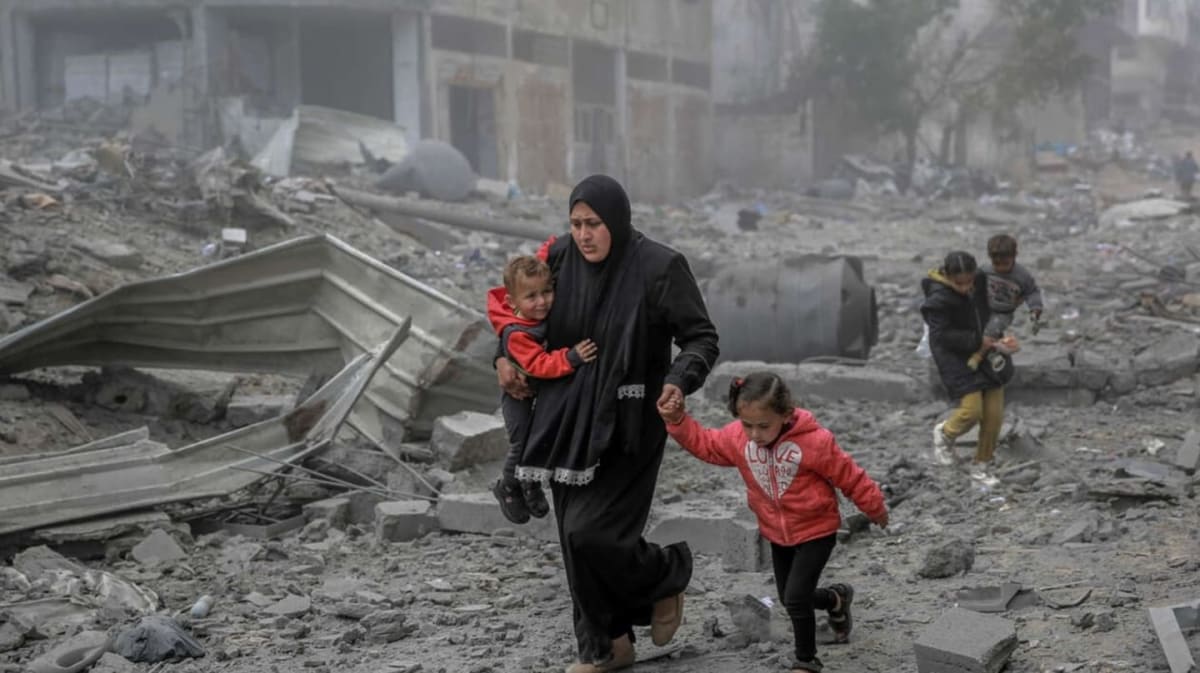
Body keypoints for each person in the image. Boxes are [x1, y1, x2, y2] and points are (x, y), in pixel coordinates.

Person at [494, 175, 719, 672]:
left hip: (629, 425)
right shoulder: (558, 259)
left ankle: (665, 575)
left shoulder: (659, 266)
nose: (583, 234)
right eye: (576, 223)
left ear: (615, 220)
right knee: (573, 541)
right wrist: (503, 358)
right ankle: (608, 646)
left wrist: (679, 380)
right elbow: (519, 315)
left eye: (593, 223)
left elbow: (702, 337)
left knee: (592, 533)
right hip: (562, 422)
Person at [658, 372, 888, 673]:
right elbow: (707, 444)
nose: (755, 434)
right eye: (747, 424)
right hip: (777, 535)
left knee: (796, 598)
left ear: (786, 414)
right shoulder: (739, 439)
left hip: (816, 530)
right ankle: (836, 598)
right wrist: (678, 421)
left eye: (764, 426)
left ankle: (806, 661)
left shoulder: (814, 442)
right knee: (788, 597)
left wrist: (874, 507)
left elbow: (849, 476)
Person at [486, 255, 598, 524]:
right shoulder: (517, 333)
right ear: (512, 302)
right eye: (531, 296)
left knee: (540, 438)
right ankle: (509, 486)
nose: (542, 302)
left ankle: (530, 483)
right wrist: (571, 358)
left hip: (540, 392)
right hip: (519, 395)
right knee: (522, 442)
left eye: (547, 292)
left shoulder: (537, 318)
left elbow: (549, 251)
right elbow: (539, 364)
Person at [922, 251, 1014, 485]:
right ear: (948, 276)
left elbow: (995, 310)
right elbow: (940, 336)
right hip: (955, 358)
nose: (965, 288)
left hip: (987, 353)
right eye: (959, 283)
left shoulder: (982, 282)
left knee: (994, 415)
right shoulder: (938, 300)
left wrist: (999, 337)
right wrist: (976, 341)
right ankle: (945, 434)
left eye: (969, 282)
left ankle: (982, 464)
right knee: (972, 411)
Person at [966, 234, 1043, 371]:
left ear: (1014, 256)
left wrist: (1035, 308)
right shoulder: (986, 270)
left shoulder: (1021, 275)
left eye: (1005, 264)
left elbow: (1032, 291)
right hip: (985, 307)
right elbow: (974, 283)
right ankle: (991, 352)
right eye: (997, 264)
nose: (1001, 268)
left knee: (990, 331)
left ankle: (979, 356)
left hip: (1003, 313)